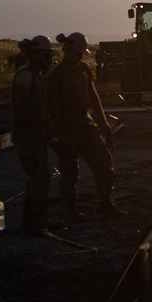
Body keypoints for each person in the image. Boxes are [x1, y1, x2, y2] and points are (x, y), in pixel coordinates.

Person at [47, 31, 126, 221]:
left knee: (103, 160)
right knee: (69, 170)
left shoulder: (83, 69)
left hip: (84, 120)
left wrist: (103, 123)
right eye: (78, 52)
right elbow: (53, 107)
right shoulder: (55, 75)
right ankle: (70, 209)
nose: (81, 56)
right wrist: (60, 131)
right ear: (68, 50)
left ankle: (105, 202)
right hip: (67, 123)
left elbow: (93, 96)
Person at [11, 35, 65, 233]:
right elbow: (22, 108)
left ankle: (29, 220)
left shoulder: (38, 75)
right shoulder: (25, 75)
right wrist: (39, 129)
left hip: (35, 133)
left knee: (36, 177)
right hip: (28, 134)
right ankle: (39, 220)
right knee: (40, 176)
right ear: (34, 55)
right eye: (45, 55)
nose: (49, 59)